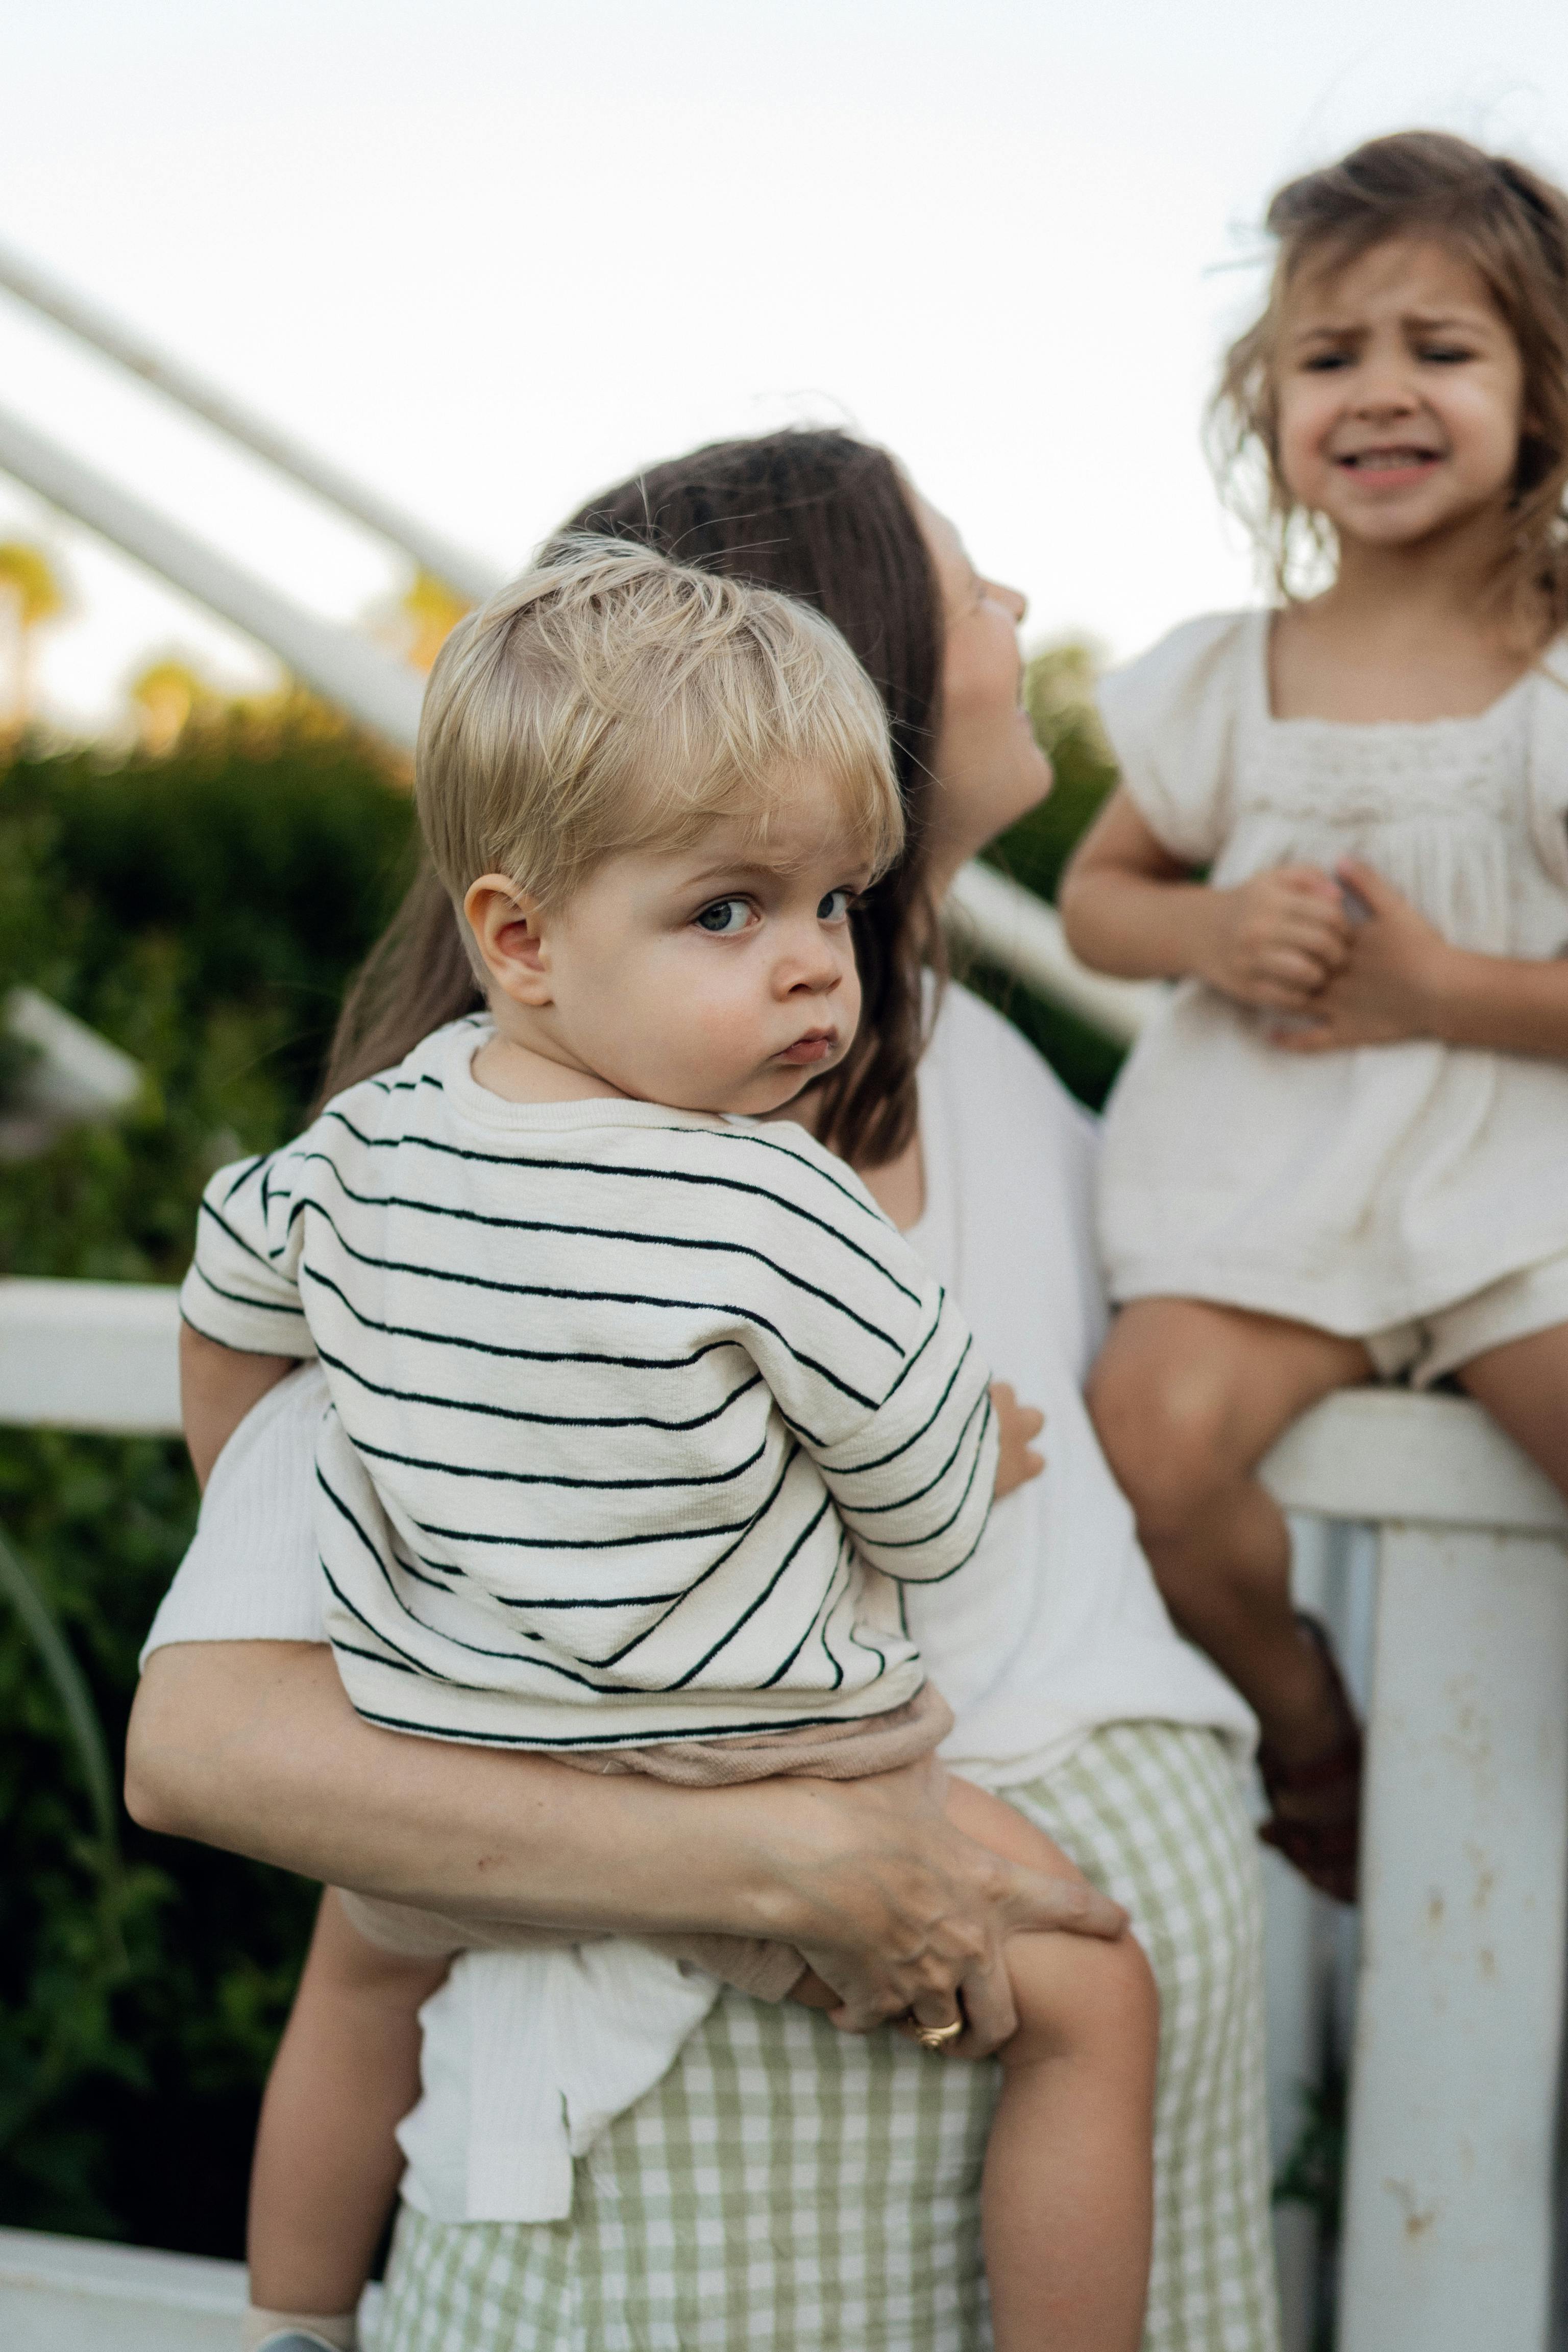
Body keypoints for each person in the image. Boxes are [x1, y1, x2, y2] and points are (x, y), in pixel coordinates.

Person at [130, 427, 1274, 2352]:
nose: (1006, 605)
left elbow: (227, 1316)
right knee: (1097, 1989)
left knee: (353, 1978)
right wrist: (949, 1474)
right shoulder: (768, 1189)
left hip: (483, 1711)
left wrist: (284, 1472)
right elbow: (917, 1481)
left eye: (831, 908)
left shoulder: (387, 1152)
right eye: (962, 573)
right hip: (777, 1776)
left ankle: (287, 2318)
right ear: (859, 667)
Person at [1060, 132, 1568, 1904]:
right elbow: (1096, 904)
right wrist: (1209, 928)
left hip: (1519, 1197)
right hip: (1268, 1184)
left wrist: (1443, 991)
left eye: (1443, 349)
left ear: (1542, 389)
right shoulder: (1231, 677)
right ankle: (1306, 1731)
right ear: (1269, 402)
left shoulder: (1555, 683)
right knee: (1154, 1434)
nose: (1381, 394)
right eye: (1331, 356)